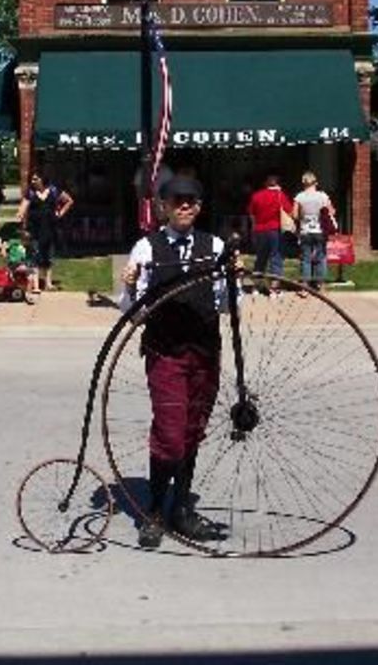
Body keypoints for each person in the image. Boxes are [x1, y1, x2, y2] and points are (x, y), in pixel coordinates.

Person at [121, 175, 230, 548]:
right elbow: (133, 314)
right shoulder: (146, 249)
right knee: (169, 434)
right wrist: (129, 286)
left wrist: (233, 281)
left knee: (192, 431)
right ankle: (153, 510)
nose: (185, 206)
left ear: (200, 206)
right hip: (166, 351)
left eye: (193, 200)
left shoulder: (214, 247)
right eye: (177, 200)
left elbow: (229, 306)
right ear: (163, 206)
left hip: (204, 352)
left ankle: (182, 509)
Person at [17, 172, 74, 293]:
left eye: (35, 179)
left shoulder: (54, 190)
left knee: (49, 255)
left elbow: (69, 201)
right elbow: (23, 206)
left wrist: (60, 213)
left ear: (43, 179)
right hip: (35, 228)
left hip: (51, 227)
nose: (32, 181)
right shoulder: (30, 193)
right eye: (32, 179)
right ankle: (36, 285)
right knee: (36, 255)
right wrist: (20, 214)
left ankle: (48, 283)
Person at [246, 173, 294, 294]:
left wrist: (254, 228)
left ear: (265, 183)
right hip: (275, 230)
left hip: (260, 230)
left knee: (261, 258)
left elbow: (252, 214)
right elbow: (290, 211)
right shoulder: (280, 195)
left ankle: (257, 285)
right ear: (277, 183)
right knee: (276, 257)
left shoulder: (256, 196)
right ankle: (275, 286)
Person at [293, 171, 337, 292]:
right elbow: (332, 211)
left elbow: (295, 215)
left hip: (305, 231)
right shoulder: (323, 196)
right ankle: (321, 285)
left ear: (303, 183)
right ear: (316, 183)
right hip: (320, 230)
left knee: (306, 259)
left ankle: (305, 287)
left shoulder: (299, 197)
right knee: (321, 257)